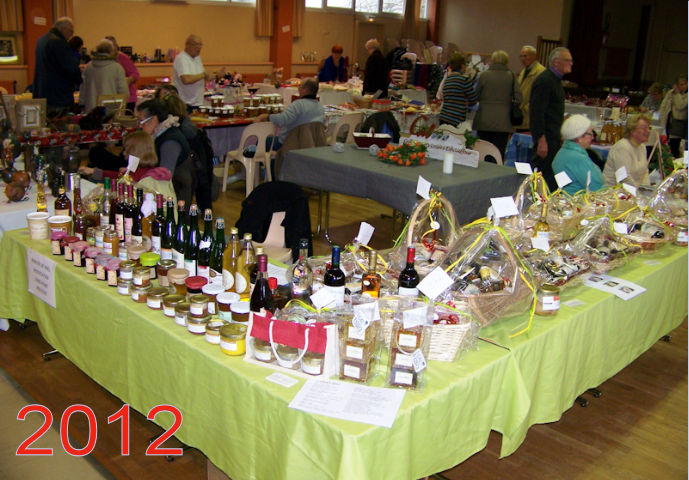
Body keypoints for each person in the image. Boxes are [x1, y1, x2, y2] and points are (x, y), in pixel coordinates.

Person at [530, 47, 573, 191]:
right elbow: (537, 113)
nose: (571, 63)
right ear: (555, 62)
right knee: (541, 178)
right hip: (546, 138)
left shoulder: (554, 81)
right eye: (567, 60)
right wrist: (541, 139)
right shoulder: (545, 81)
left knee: (549, 177)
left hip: (552, 137)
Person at [136, 99, 194, 205]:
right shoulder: (159, 135)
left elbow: (163, 176)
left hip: (175, 198)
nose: (139, 126)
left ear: (153, 120)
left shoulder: (170, 142)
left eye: (141, 122)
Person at [473, 50, 520, 156]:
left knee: (483, 151)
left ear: (492, 60)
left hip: (484, 119)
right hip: (503, 121)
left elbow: (475, 96)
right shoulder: (512, 76)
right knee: (498, 152)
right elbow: (518, 98)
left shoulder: (484, 75)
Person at [79, 130, 170, 183]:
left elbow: (118, 177)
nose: (124, 153)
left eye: (126, 149)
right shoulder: (146, 169)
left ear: (134, 151)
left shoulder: (138, 176)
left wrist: (93, 172)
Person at [255, 77, 325, 146]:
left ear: (305, 90)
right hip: (309, 143)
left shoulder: (298, 105)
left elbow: (282, 120)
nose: (298, 88)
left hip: (290, 143)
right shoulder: (320, 107)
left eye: (300, 86)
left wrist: (267, 117)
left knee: (262, 140)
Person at [33, 17, 82, 113]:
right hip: (58, 96)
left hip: (41, 93)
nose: (71, 35)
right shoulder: (58, 42)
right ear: (63, 29)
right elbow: (70, 68)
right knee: (59, 125)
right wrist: (79, 79)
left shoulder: (41, 39)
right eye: (71, 31)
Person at [552, 114, 604, 195]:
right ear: (580, 138)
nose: (592, 138)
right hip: (580, 203)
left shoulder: (562, 153)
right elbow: (596, 187)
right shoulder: (578, 158)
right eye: (590, 134)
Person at [79, 39, 128, 113]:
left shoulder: (88, 67)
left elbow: (83, 88)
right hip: (110, 109)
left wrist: (82, 103)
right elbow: (123, 91)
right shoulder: (117, 67)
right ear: (111, 51)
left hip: (91, 108)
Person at [603, 114, 652, 187]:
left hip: (634, 191)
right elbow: (624, 177)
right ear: (632, 130)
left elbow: (644, 174)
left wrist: (647, 189)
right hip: (614, 191)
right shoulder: (622, 147)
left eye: (649, 128)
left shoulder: (642, 147)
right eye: (644, 128)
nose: (648, 131)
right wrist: (638, 193)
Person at [172, 35, 211, 111]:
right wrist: (202, 75)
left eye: (200, 45)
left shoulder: (197, 58)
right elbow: (186, 79)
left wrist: (216, 75)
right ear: (187, 45)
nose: (199, 47)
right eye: (196, 44)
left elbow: (203, 76)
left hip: (197, 102)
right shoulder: (181, 58)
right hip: (185, 104)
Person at [438, 53, 477, 127]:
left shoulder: (448, 80)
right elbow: (473, 100)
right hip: (456, 119)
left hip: (444, 117)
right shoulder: (464, 80)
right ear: (462, 66)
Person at [105, 36, 140, 112]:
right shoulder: (103, 60)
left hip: (127, 99)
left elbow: (135, 74)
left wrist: (127, 81)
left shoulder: (123, 58)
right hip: (111, 98)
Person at [516, 45, 545, 132]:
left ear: (534, 56)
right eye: (521, 56)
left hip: (531, 116)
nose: (523, 59)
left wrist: (526, 109)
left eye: (525, 56)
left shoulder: (541, 72)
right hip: (521, 115)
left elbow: (540, 97)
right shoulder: (524, 71)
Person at [659, 74, 688, 158]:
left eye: (684, 84)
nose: (681, 86)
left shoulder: (685, 94)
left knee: (675, 146)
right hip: (668, 120)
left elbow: (680, 106)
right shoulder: (671, 92)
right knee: (666, 144)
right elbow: (663, 105)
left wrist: (677, 94)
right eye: (680, 84)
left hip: (680, 123)